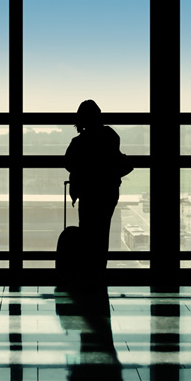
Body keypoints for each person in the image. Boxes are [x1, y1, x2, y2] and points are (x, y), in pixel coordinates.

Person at [64, 100, 132, 277]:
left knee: (87, 231)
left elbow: (68, 163)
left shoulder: (78, 142)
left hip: (88, 192)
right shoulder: (110, 135)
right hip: (108, 191)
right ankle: (99, 271)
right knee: (102, 231)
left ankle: (87, 271)